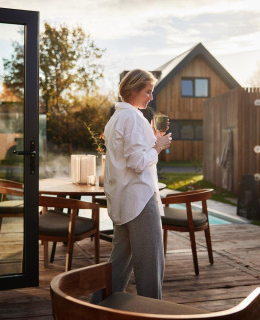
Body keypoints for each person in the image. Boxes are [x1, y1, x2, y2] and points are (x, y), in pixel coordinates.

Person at [91, 69, 172, 302]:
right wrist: (159, 146)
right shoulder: (133, 118)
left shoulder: (117, 118)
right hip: (139, 200)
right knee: (150, 265)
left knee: (118, 265)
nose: (151, 97)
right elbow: (138, 163)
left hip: (124, 200)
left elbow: (129, 156)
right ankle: (153, 314)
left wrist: (153, 138)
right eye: (148, 92)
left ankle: (95, 309)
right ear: (133, 90)